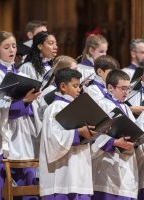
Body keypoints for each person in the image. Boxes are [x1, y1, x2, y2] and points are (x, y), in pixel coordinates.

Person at [0, 31, 42, 200]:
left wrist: (30, 101)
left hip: (23, 134)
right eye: (6, 47)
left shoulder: (23, 75)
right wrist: (23, 101)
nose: (12, 50)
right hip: (5, 135)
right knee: (6, 187)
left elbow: (33, 108)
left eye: (14, 46)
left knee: (28, 184)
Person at [39, 68, 95, 199]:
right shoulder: (55, 107)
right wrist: (78, 132)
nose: (78, 89)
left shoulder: (78, 107)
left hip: (80, 172)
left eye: (79, 86)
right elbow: (53, 139)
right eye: (75, 86)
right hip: (61, 176)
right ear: (63, 86)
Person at [91, 69, 138, 199]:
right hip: (106, 164)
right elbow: (93, 135)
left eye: (128, 88)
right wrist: (115, 142)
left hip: (125, 163)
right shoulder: (102, 105)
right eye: (123, 88)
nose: (126, 92)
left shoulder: (126, 107)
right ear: (110, 87)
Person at [37, 55, 78, 120]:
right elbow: (41, 113)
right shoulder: (50, 90)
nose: (77, 73)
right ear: (63, 71)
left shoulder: (70, 89)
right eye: (74, 70)